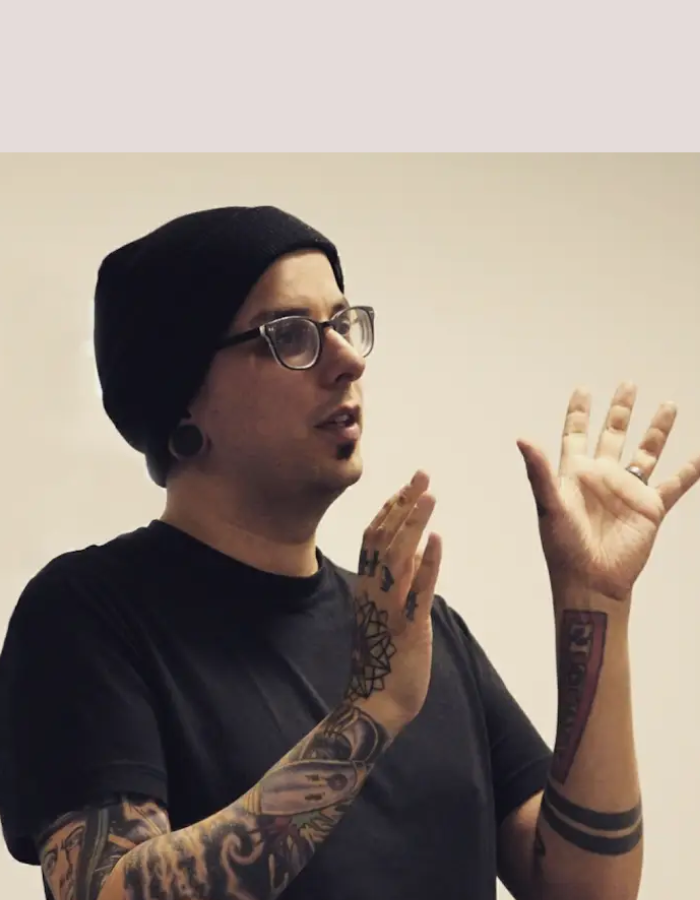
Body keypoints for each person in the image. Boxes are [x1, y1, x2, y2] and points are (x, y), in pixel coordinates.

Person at [0, 206, 697, 900]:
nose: (349, 360)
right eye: (290, 335)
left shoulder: (418, 628)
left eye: (342, 323)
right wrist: (366, 716)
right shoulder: (88, 614)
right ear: (183, 396)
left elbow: (587, 890)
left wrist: (594, 601)